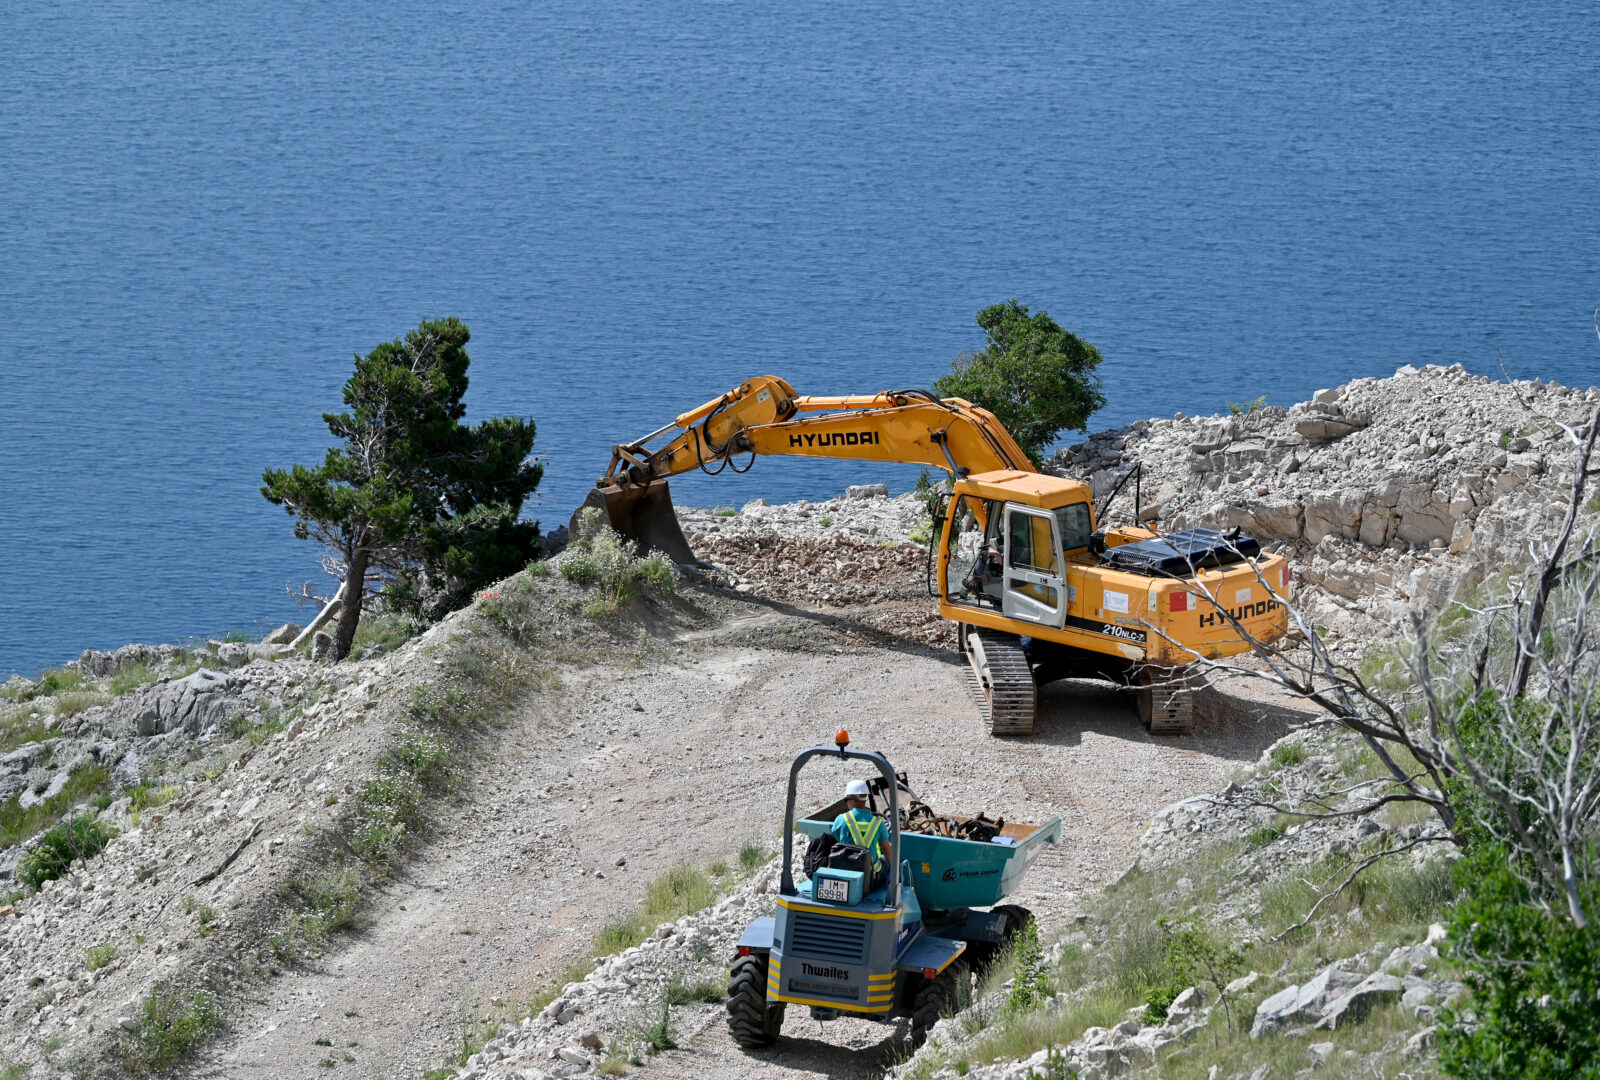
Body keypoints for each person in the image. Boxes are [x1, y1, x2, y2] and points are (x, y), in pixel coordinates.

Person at [831, 780, 887, 886]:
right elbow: (888, 851)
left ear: (852, 800)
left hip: (846, 873)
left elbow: (836, 835)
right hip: (871, 877)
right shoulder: (878, 823)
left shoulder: (841, 819)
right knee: (884, 860)